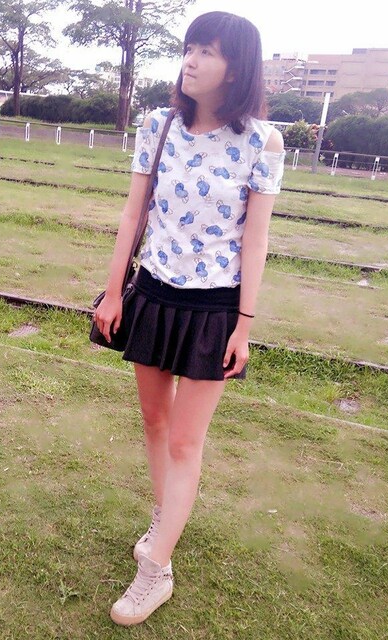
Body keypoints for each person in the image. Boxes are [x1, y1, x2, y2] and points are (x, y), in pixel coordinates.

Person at [93, 11, 286, 626]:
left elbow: (255, 241)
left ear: (237, 67)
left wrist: (245, 325)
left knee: (184, 439)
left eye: (207, 51)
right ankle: (165, 521)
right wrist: (113, 294)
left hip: (213, 308)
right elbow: (133, 215)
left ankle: (156, 571)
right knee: (154, 421)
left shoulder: (263, 142)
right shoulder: (158, 126)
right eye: (189, 47)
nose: (191, 60)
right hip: (153, 292)